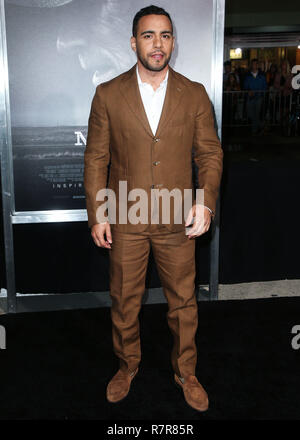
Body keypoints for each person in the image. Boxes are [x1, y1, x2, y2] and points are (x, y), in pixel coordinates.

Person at [84, 5, 223, 412]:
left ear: (173, 42)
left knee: (183, 302)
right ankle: (127, 366)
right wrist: (98, 213)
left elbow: (210, 154)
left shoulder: (194, 93)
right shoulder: (107, 94)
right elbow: (96, 158)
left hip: (178, 218)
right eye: (148, 35)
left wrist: (205, 202)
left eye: (164, 35)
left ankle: (186, 372)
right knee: (124, 299)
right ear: (133, 42)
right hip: (126, 218)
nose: (157, 44)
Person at [243, 58, 267, 136]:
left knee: (256, 113)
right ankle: (261, 125)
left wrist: (261, 94)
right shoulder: (247, 75)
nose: (254, 65)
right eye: (253, 64)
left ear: (258, 65)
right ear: (251, 65)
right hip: (250, 98)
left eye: (256, 64)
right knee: (250, 113)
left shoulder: (262, 75)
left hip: (259, 98)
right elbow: (245, 86)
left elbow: (264, 86)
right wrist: (248, 90)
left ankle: (254, 130)